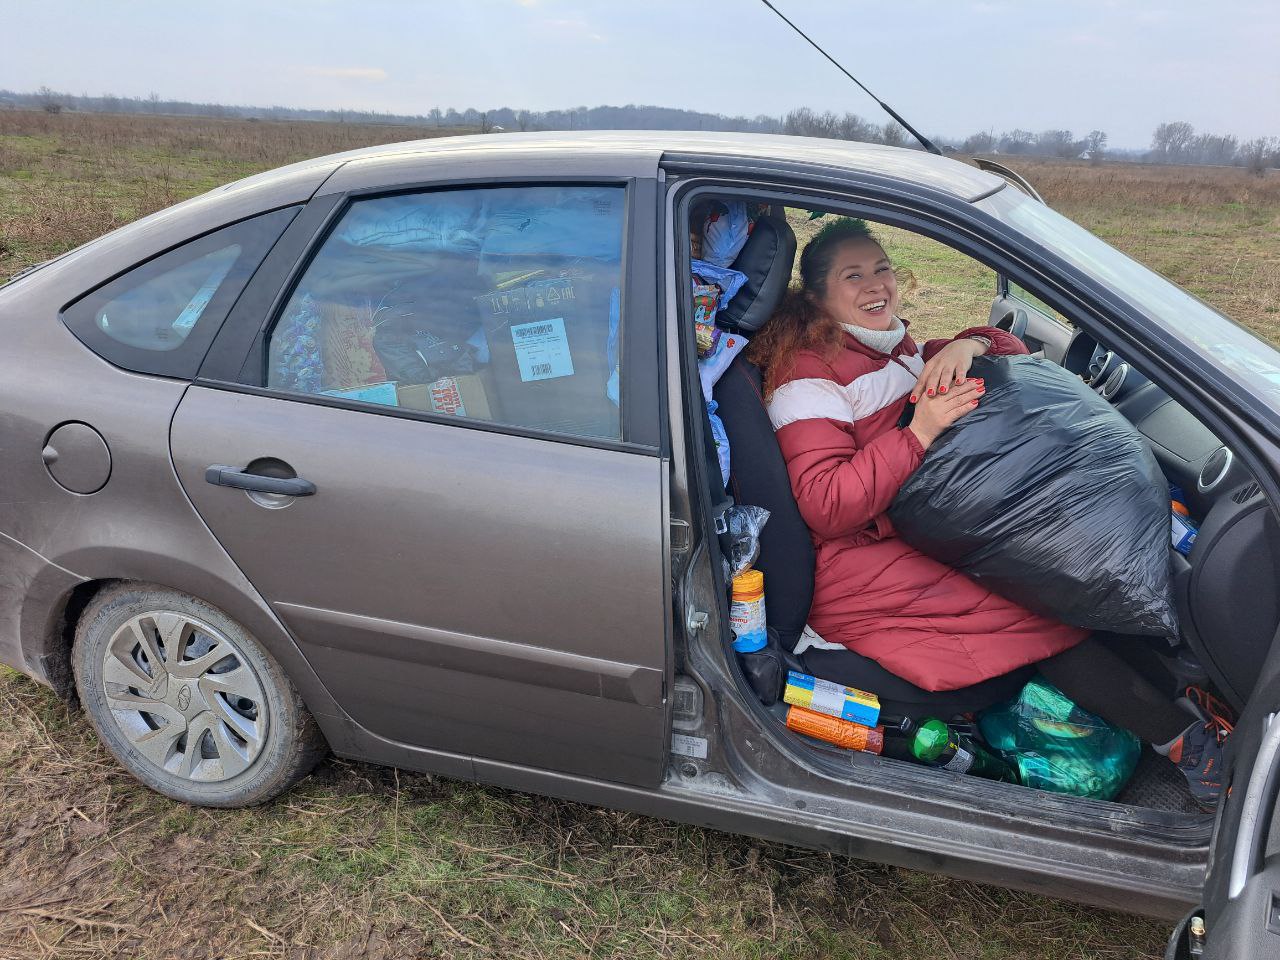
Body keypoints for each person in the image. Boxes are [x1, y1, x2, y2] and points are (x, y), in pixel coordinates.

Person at [745, 217, 1229, 808]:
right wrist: (919, 433)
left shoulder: (889, 347)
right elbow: (825, 505)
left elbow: (1004, 351)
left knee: (1068, 568)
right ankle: (1192, 751)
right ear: (817, 296)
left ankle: (1187, 700)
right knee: (1039, 609)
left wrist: (968, 343)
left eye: (882, 269)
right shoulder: (809, 375)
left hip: (918, 536)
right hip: (858, 566)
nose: (876, 285)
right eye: (854, 276)